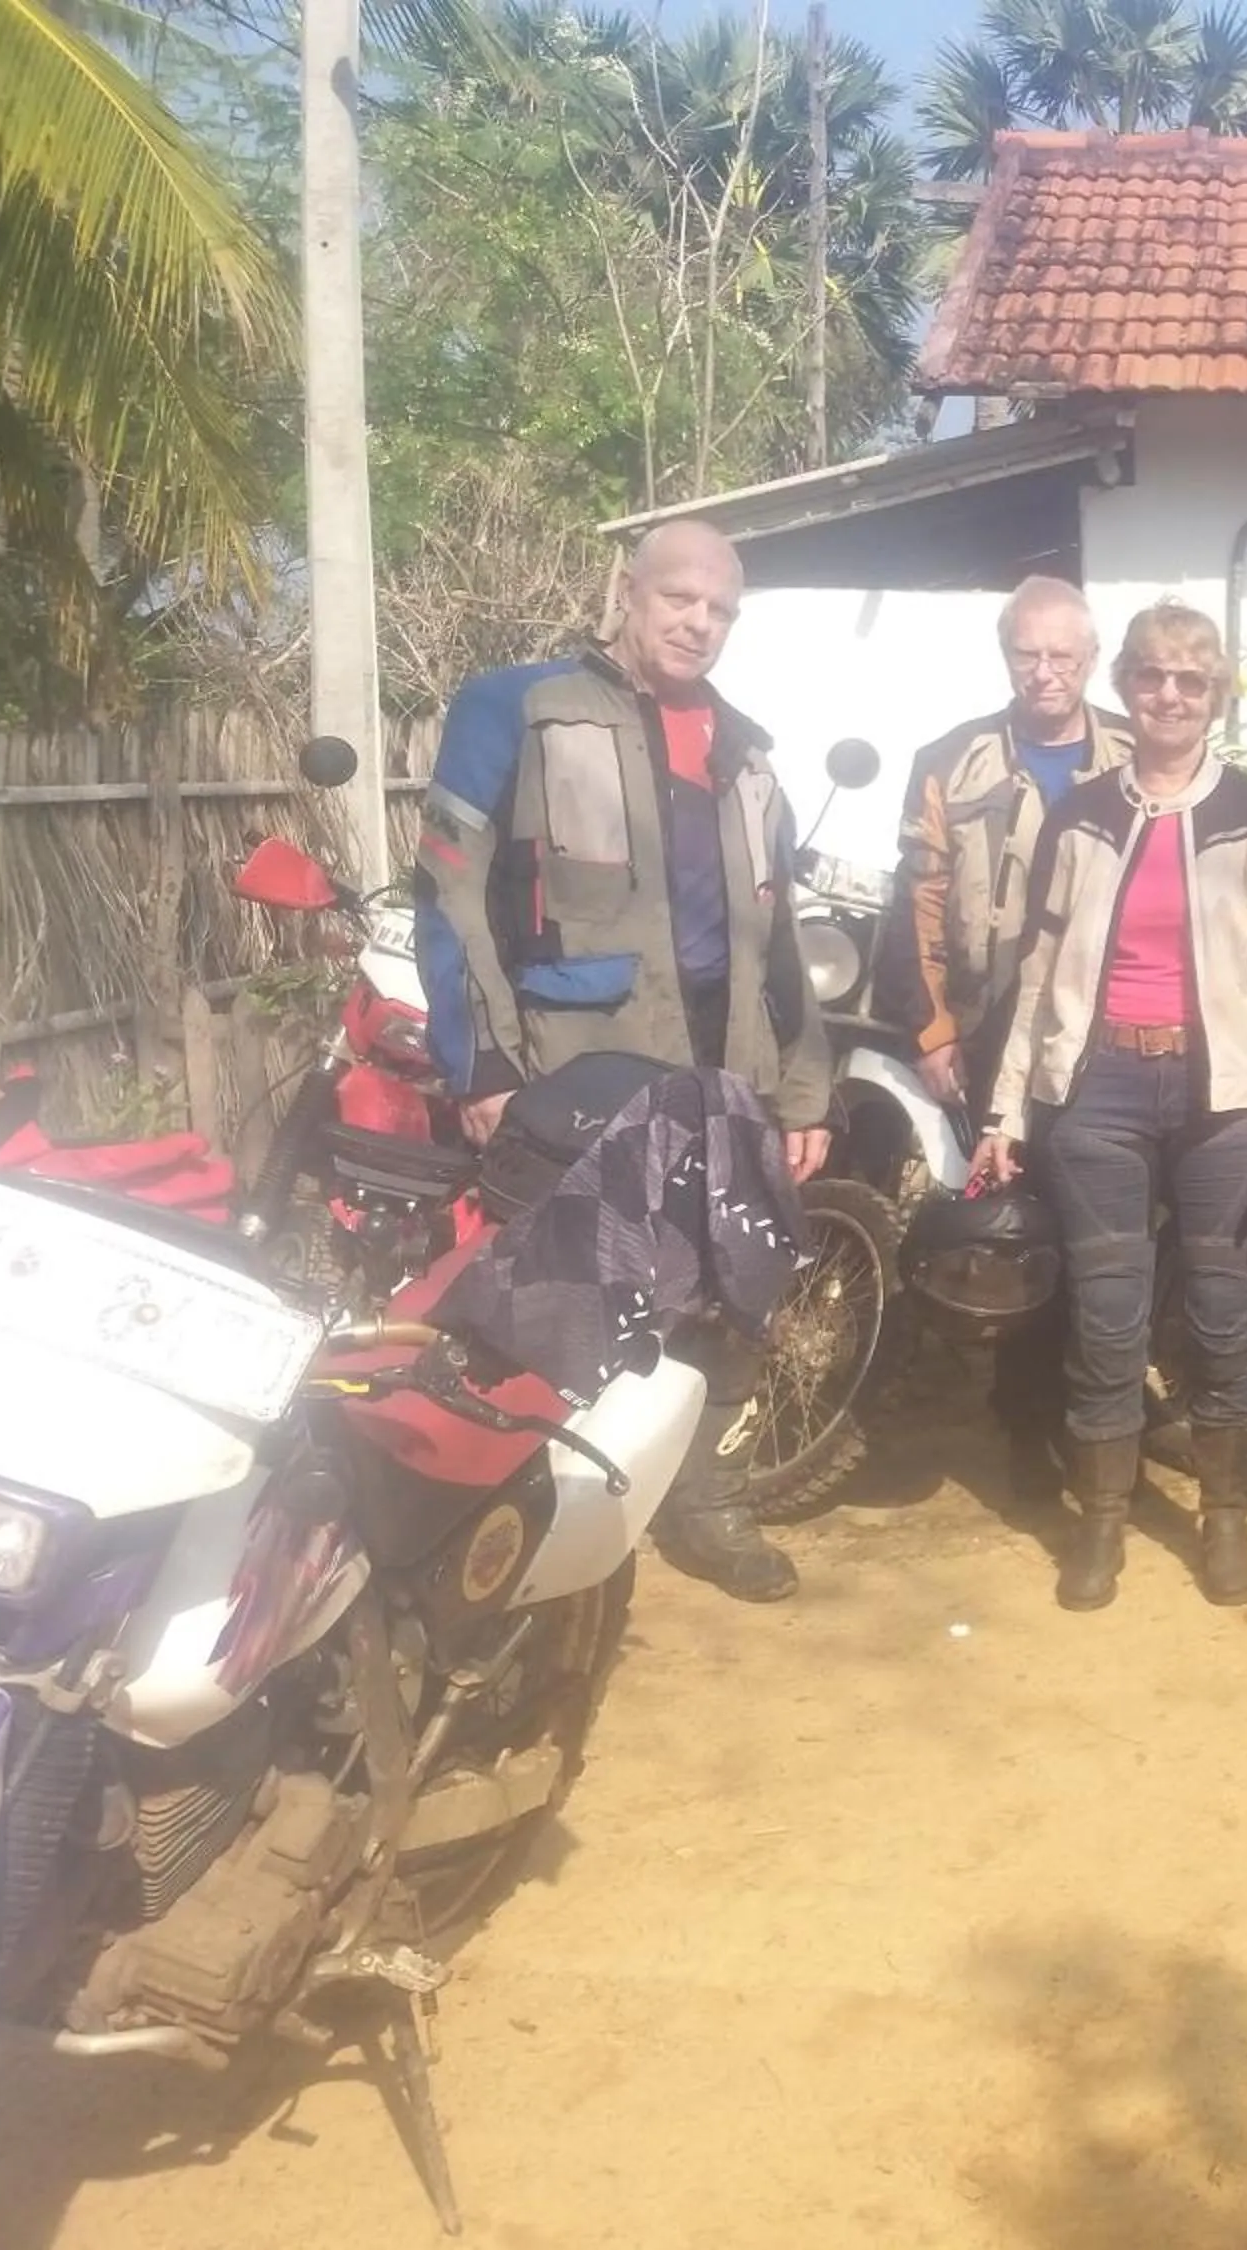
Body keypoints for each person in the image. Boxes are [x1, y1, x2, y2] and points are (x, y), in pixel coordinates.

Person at [414, 518, 834, 1603]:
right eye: (678, 598)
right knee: (565, 1290)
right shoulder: (521, 707)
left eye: (721, 609)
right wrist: (487, 1067)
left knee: (732, 1281)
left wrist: (803, 1087)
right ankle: (534, 1517)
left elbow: (782, 938)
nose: (698, 622)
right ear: (628, 592)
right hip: (580, 1062)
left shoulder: (750, 754)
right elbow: (452, 893)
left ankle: (701, 1501)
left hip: (726, 1068)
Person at [972, 603, 1247, 1611]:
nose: (1170, 696)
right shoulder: (1082, 815)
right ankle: (1103, 1528)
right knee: (1109, 1311)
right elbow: (1038, 973)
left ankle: (1224, 1520)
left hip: (1222, 1094)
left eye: (1192, 681)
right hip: (1101, 1092)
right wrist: (1006, 1114)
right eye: (1154, 677)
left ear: (1215, 698)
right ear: (1124, 685)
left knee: (1223, 1310)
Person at [884, 576, 1137, 1495]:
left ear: (1090, 660)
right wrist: (933, 1025)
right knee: (1017, 1225)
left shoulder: (1137, 753)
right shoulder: (952, 760)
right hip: (995, 1030)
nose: (1045, 671)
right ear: (1006, 657)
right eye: (1028, 653)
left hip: (1112, 1032)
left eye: (1062, 654)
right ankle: (1026, 1423)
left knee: (1106, 1228)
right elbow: (916, 900)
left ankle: (1099, 1410)